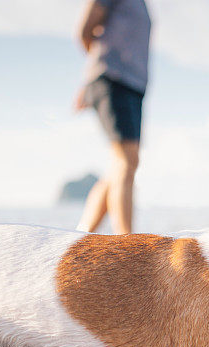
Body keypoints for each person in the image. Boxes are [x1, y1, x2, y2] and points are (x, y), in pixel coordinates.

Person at [74, 0, 151, 234]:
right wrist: (98, 71)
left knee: (123, 164)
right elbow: (84, 32)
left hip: (133, 86)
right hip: (112, 80)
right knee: (126, 161)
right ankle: (126, 243)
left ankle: (81, 236)